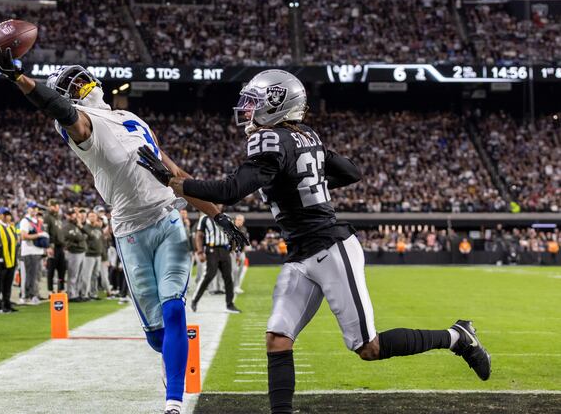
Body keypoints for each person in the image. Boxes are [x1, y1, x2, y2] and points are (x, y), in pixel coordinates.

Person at [136, 69, 491, 414]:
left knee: (369, 347)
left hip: (329, 247)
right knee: (277, 338)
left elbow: (229, 191)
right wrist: (307, 181)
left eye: (253, 102)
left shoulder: (271, 139)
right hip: (301, 253)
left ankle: (457, 337)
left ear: (276, 104)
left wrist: (173, 180)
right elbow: (352, 171)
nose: (246, 110)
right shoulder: (305, 136)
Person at [0, 51, 247, 414]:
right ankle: (171, 358)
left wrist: (217, 215)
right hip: (131, 232)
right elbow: (59, 109)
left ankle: (173, 401)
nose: (81, 85)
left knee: (174, 311)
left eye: (80, 78)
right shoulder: (81, 125)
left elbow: (177, 175)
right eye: (70, 86)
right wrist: (19, 78)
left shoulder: (129, 116)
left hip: (169, 220)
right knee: (158, 335)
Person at [190, 206, 241, 314]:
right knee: (209, 275)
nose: (218, 205)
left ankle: (229, 304)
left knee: (228, 277)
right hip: (211, 250)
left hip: (224, 250)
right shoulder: (204, 218)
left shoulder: (227, 218)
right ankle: (195, 300)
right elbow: (199, 235)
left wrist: (233, 248)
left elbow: (232, 233)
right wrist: (200, 252)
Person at [19, 201, 47, 305]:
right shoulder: (25, 221)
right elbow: (23, 236)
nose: (35, 210)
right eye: (32, 208)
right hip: (29, 251)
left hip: (38, 251)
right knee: (30, 275)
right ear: (28, 209)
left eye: (36, 208)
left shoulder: (37, 221)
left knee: (36, 275)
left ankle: (33, 294)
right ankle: (28, 296)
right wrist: (39, 235)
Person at [0, 207, 18, 313]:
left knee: (8, 283)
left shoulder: (10, 227)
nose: (7, 216)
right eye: (4, 214)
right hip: (0, 259)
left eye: (8, 214)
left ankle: (6, 304)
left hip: (10, 259)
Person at [64, 206, 88, 301]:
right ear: (67, 216)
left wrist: (79, 222)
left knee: (79, 275)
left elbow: (86, 234)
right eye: (71, 215)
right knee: (73, 275)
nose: (73, 216)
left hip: (81, 252)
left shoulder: (76, 225)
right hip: (73, 252)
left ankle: (77, 293)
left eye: (74, 215)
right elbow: (80, 238)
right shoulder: (66, 226)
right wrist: (80, 238)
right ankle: (71, 294)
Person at [43, 199, 66, 293]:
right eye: (54, 205)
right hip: (52, 246)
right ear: (50, 206)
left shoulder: (58, 217)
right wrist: (48, 246)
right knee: (51, 269)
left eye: (57, 205)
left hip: (60, 247)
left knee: (62, 269)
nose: (56, 207)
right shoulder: (47, 217)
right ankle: (50, 290)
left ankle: (60, 288)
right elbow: (45, 232)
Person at [84, 210, 106, 299]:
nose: (92, 218)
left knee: (95, 275)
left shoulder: (98, 228)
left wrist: (104, 255)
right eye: (91, 216)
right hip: (89, 255)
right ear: (88, 218)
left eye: (94, 216)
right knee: (87, 275)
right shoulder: (85, 228)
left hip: (98, 255)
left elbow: (102, 242)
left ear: (96, 218)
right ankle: (85, 294)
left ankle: (93, 293)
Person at [231, 214, 249, 294]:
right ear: (235, 220)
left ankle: (236, 286)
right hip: (232, 252)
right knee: (234, 270)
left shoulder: (244, 229)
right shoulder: (231, 228)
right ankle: (232, 286)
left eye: (241, 220)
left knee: (240, 269)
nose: (239, 221)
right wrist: (234, 252)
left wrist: (243, 252)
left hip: (241, 252)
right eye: (238, 219)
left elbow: (245, 241)